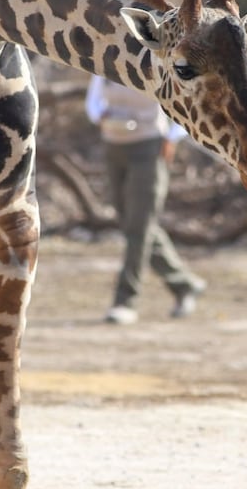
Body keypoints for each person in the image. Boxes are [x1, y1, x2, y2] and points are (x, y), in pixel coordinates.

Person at [85, 75, 207, 325]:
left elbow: (185, 104)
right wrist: (101, 117)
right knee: (132, 223)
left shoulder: (156, 61)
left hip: (148, 149)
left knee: (139, 227)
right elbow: (93, 100)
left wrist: (172, 137)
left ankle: (125, 301)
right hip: (114, 148)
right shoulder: (107, 58)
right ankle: (184, 284)